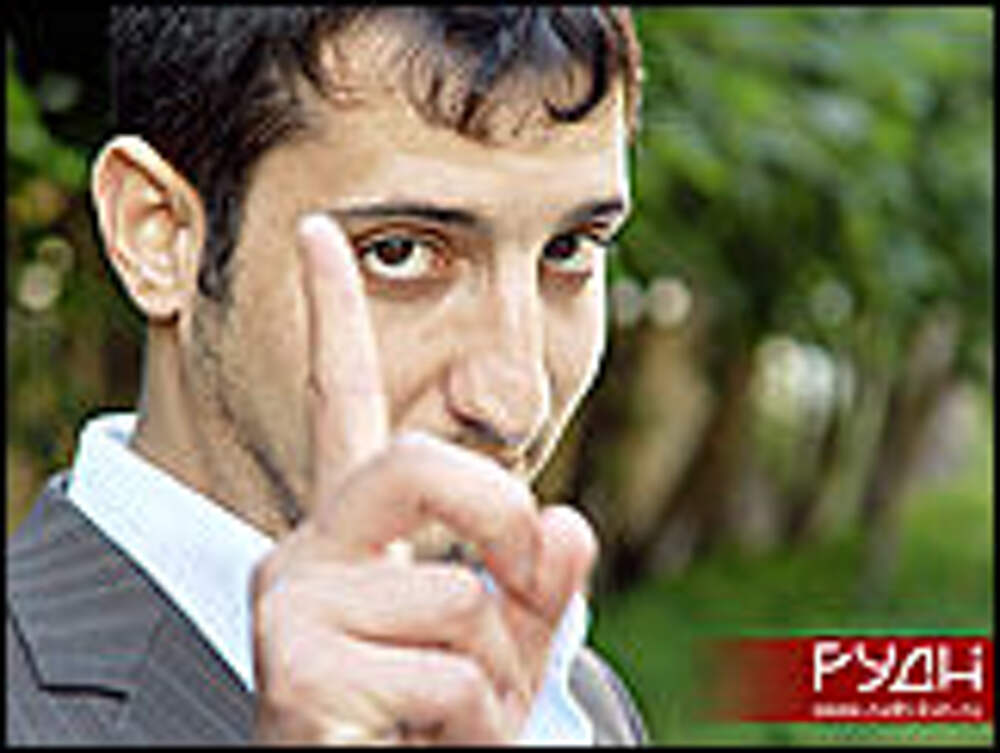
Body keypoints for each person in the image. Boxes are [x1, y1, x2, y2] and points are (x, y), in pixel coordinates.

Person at [6, 6, 646, 745]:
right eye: (399, 253)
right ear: (158, 233)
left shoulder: (581, 701)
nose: (516, 401)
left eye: (569, 249)